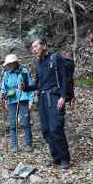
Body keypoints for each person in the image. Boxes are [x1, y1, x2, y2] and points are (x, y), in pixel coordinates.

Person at [21, 39, 71, 169]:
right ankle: (56, 157)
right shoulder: (38, 64)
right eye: (32, 47)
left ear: (44, 45)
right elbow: (38, 85)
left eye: (36, 46)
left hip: (55, 97)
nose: (34, 49)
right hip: (42, 99)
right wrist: (25, 87)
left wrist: (63, 97)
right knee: (46, 130)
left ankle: (65, 159)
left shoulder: (56, 58)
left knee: (56, 128)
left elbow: (64, 77)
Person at [0, 54, 35, 153]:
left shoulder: (24, 71)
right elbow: (4, 87)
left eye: (10, 64)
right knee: (12, 123)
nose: (8, 66)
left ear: (15, 63)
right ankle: (14, 146)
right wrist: (2, 93)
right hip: (11, 100)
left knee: (25, 122)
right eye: (8, 64)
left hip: (23, 99)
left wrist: (31, 100)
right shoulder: (7, 73)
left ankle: (28, 144)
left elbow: (30, 85)